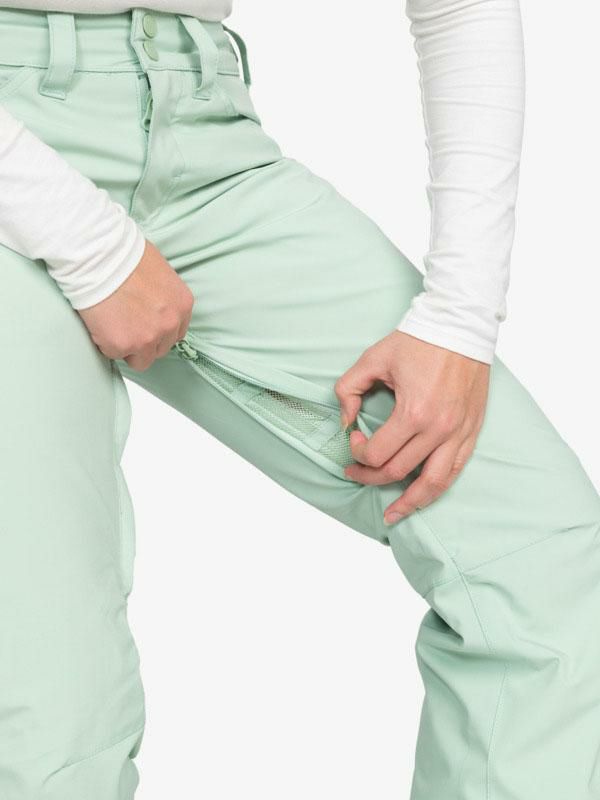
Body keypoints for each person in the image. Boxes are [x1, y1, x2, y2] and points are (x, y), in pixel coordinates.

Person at [0, 1, 598, 798]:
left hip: (204, 136)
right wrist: (91, 246)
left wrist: (459, 318)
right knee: (47, 701)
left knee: (539, 562)